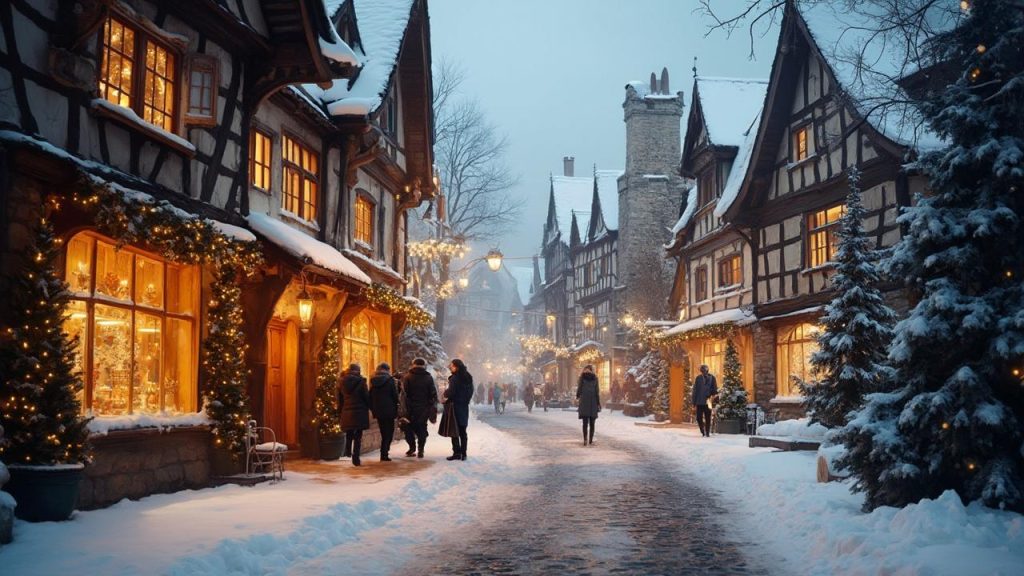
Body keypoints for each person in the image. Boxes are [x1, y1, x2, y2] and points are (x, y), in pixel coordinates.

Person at [402, 357, 438, 458]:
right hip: (424, 409)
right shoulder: (428, 377)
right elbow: (433, 394)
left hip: (410, 408)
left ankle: (412, 448)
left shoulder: (407, 377)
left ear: (413, 365)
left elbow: (404, 394)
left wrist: (405, 407)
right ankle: (421, 449)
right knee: (422, 428)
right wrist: (431, 406)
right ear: (423, 366)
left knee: (408, 428)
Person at [339, 363, 370, 466]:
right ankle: (355, 457)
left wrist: (340, 410)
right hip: (360, 411)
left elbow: (339, 398)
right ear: (358, 371)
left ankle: (347, 451)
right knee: (358, 436)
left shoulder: (342, 381)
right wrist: (369, 406)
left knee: (349, 432)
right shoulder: (361, 382)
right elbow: (366, 397)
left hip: (347, 410)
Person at [444, 359, 474, 461]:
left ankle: (457, 453)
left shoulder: (455, 378)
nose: (450, 367)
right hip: (464, 406)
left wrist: (445, 393)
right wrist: (466, 400)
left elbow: (451, 392)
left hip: (454, 406)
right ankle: (464, 453)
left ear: (456, 367)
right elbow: (471, 391)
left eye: (452, 366)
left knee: (454, 430)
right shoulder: (468, 377)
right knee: (463, 431)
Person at [369, 362, 399, 462]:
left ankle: (384, 452)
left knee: (383, 431)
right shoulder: (390, 380)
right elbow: (394, 395)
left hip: (378, 410)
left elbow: (370, 396)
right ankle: (384, 453)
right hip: (389, 409)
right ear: (387, 370)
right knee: (389, 432)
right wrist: (396, 404)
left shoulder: (373, 381)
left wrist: (373, 408)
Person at [576, 364, 601, 446]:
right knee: (592, 423)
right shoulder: (595, 378)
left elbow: (579, 389)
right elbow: (597, 392)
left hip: (584, 402)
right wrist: (598, 403)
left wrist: (578, 396)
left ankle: (585, 439)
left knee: (585, 422)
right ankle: (590, 440)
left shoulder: (582, 378)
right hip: (593, 402)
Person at [692, 364, 718, 438]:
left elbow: (715, 389)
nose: (704, 372)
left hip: (708, 401)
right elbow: (695, 390)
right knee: (698, 417)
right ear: (701, 371)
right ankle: (702, 429)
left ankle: (707, 432)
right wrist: (694, 402)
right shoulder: (698, 378)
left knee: (708, 417)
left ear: (707, 370)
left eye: (705, 370)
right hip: (699, 401)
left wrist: (713, 394)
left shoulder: (712, 378)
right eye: (702, 371)